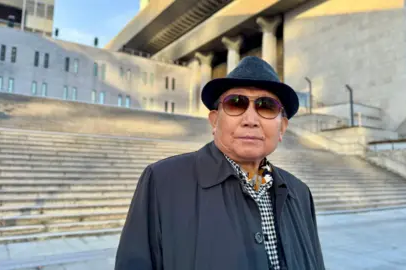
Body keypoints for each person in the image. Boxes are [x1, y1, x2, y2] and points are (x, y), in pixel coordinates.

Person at [115, 56, 325, 270]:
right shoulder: (163, 182)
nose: (250, 120)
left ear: (282, 128)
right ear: (214, 121)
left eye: (267, 106)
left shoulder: (299, 193)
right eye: (235, 104)